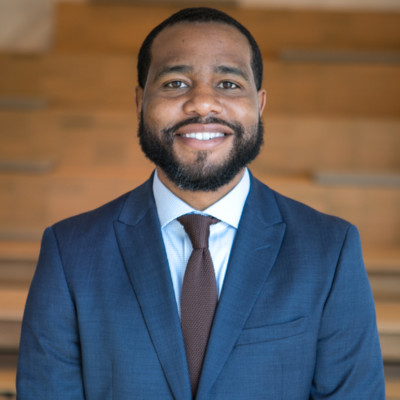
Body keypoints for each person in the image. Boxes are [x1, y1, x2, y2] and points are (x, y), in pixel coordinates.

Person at [17, 7, 385, 399]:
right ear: (140, 101)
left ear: (259, 104)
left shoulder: (329, 250)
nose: (203, 104)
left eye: (228, 84)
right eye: (175, 83)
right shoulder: (70, 252)